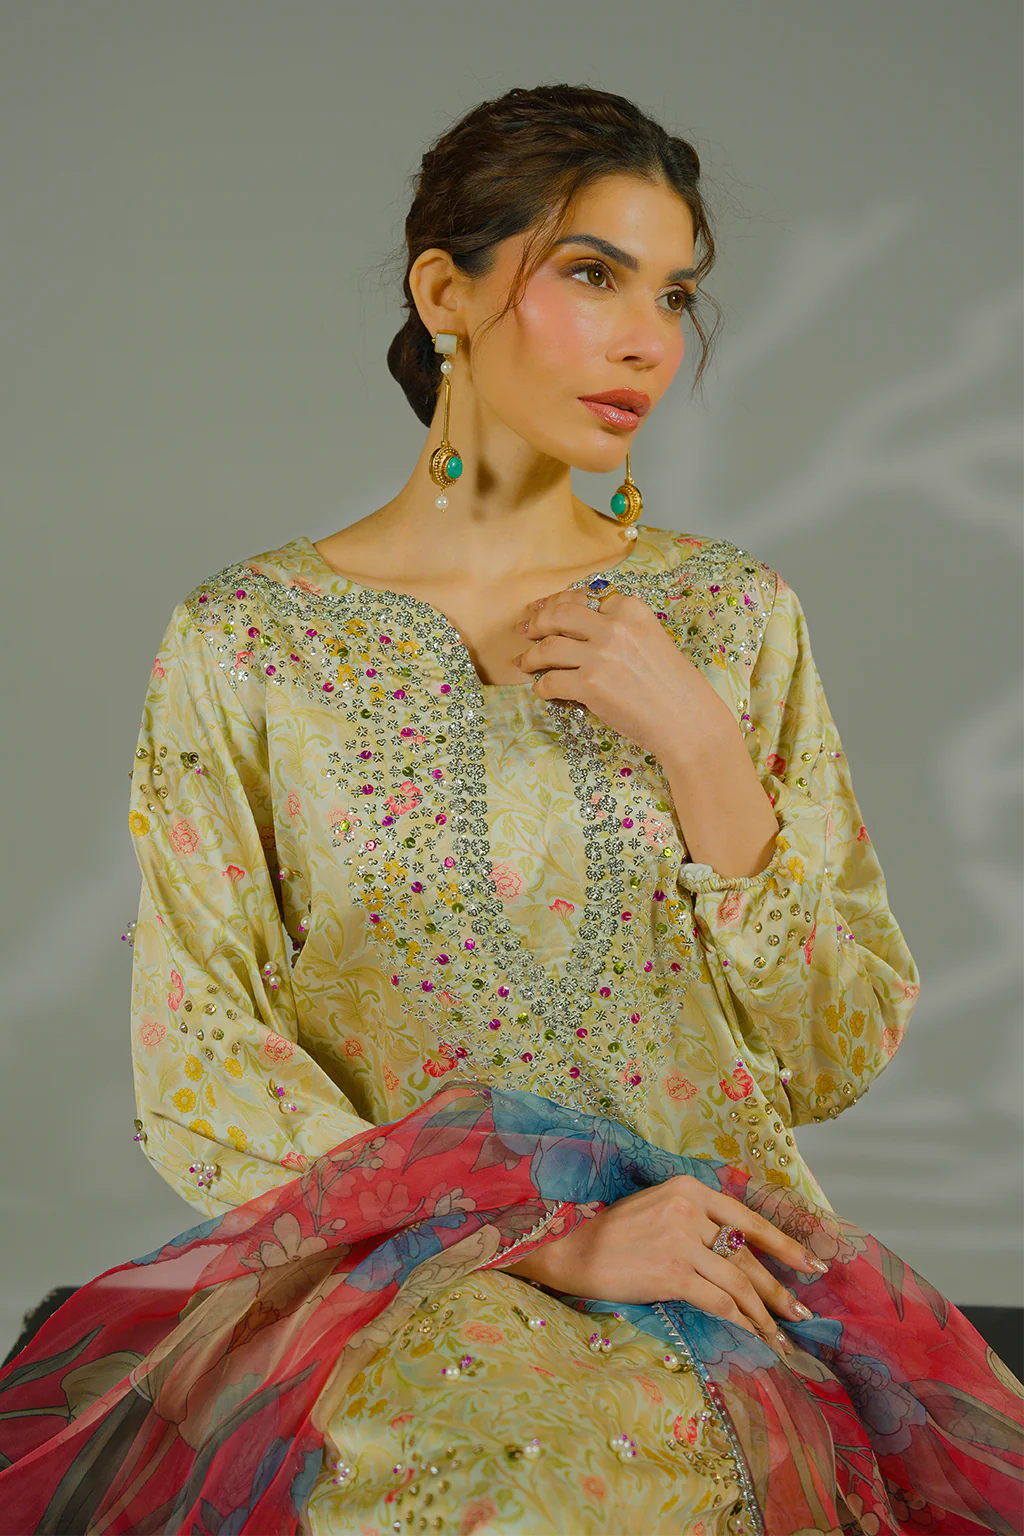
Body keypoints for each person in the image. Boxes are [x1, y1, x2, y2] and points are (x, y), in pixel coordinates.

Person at [2, 82, 1023, 1536]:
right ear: (446, 295)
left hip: (718, 1279)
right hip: (396, 1288)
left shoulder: (730, 619)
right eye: (594, 274)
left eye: (676, 294)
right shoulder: (250, 643)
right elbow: (202, 1058)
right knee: (486, 1477)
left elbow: (831, 1043)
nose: (650, 340)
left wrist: (704, 751)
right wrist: (545, 1239)